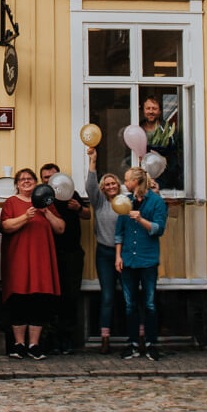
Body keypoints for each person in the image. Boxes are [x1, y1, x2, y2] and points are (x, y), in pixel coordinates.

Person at [0, 167, 64, 359]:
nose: (26, 181)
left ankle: (34, 345)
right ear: (17, 184)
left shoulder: (46, 202)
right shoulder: (11, 202)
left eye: (30, 179)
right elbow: (5, 226)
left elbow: (60, 228)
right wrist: (24, 217)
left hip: (40, 259)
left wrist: (47, 213)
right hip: (18, 259)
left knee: (38, 300)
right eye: (22, 179)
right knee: (19, 299)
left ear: (36, 183)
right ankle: (19, 344)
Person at [115, 166, 168, 360]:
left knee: (150, 303)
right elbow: (119, 232)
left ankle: (152, 344)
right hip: (128, 259)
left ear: (136, 182)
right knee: (130, 304)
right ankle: (132, 343)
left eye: (127, 180)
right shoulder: (125, 202)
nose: (125, 183)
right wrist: (118, 257)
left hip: (147, 260)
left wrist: (141, 219)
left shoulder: (156, 202)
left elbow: (158, 229)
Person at [40, 160, 87, 354]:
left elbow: (87, 215)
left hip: (72, 253)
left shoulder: (71, 193)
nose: (50, 180)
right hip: (48, 254)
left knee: (70, 296)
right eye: (45, 177)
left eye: (52, 176)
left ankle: (67, 338)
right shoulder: (42, 196)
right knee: (50, 297)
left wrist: (78, 208)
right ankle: (50, 338)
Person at [82, 148, 125, 353]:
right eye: (107, 184)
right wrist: (93, 162)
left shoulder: (125, 203)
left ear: (119, 186)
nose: (110, 186)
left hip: (127, 255)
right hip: (105, 254)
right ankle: (105, 338)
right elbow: (90, 186)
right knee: (107, 296)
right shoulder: (99, 203)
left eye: (113, 183)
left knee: (130, 295)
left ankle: (137, 337)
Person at [141, 95, 184, 191]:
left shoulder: (168, 130)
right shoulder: (138, 129)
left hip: (164, 181)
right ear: (143, 110)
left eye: (154, 109)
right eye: (148, 108)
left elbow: (175, 156)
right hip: (142, 179)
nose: (151, 111)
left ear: (160, 111)